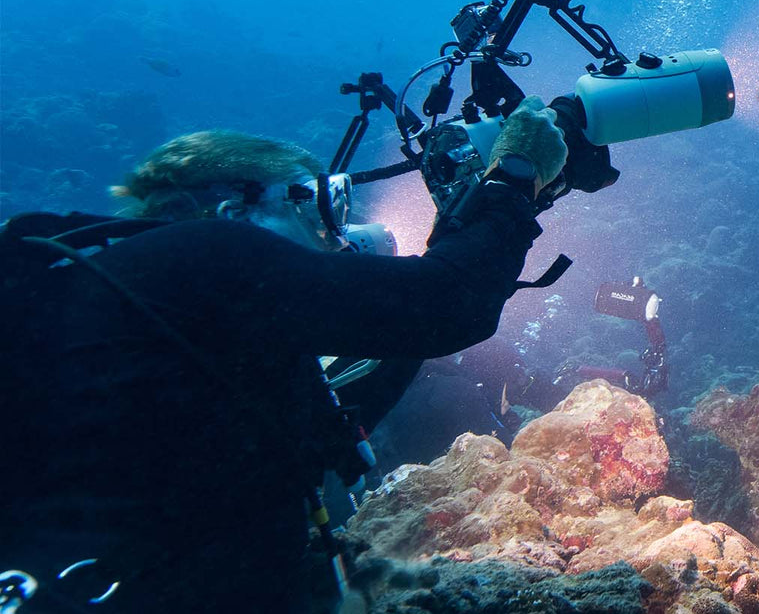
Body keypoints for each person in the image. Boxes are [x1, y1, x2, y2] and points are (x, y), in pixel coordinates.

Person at [0, 96, 570, 614]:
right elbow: (446, 307)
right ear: (232, 208)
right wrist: (512, 179)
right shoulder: (205, 252)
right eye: (313, 202)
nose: (333, 233)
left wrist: (459, 231)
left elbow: (342, 412)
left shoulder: (173, 319)